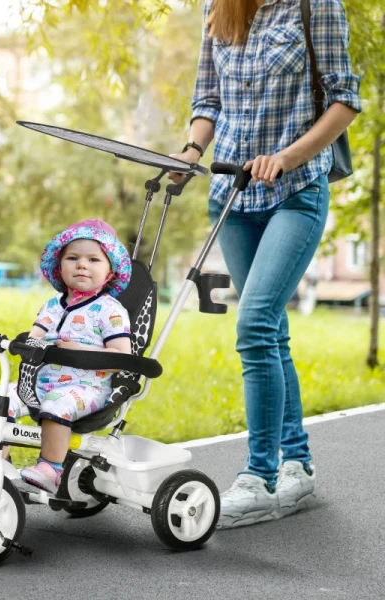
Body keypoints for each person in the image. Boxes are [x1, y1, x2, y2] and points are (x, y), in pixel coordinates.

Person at [168, 0, 361, 528]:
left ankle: (259, 477)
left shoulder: (317, 5)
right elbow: (208, 98)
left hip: (295, 192)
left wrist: (289, 157)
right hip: (232, 194)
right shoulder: (219, 7)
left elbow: (344, 100)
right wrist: (190, 152)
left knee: (253, 324)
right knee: (270, 331)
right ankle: (297, 465)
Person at [0, 219, 132, 494]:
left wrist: (81, 351)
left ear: (110, 273)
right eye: (73, 258)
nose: (82, 265)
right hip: (42, 382)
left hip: (87, 387)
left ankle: (51, 468)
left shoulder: (110, 310)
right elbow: (35, 335)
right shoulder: (53, 305)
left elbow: (123, 357)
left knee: (56, 402)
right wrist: (21, 343)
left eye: (93, 259)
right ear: (60, 267)